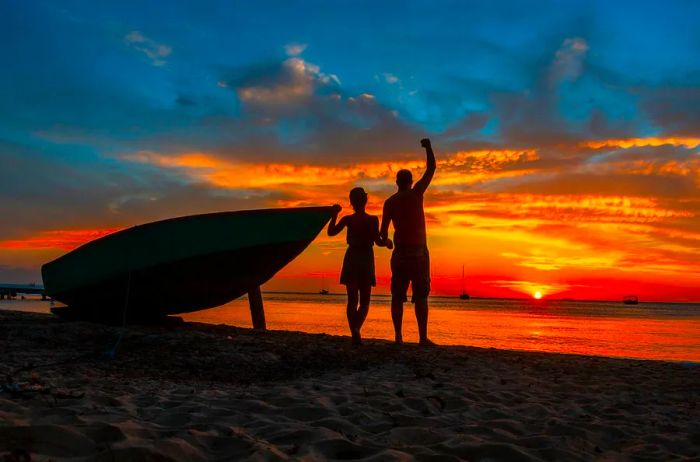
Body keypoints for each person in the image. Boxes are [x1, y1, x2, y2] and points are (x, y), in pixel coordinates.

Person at [380, 138, 436, 345]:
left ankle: (398, 337)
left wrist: (386, 243)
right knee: (420, 297)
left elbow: (382, 235)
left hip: (400, 254)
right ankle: (422, 338)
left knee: (397, 297)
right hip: (418, 254)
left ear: (396, 182)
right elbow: (431, 169)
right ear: (411, 181)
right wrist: (428, 148)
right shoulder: (416, 194)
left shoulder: (390, 203)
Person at [328, 187, 392, 345]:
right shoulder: (372, 220)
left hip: (351, 258)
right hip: (365, 259)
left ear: (351, 202)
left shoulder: (348, 219)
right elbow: (378, 242)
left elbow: (331, 232)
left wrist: (334, 215)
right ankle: (356, 329)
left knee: (352, 300)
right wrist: (388, 242)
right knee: (364, 301)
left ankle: (354, 332)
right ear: (365, 200)